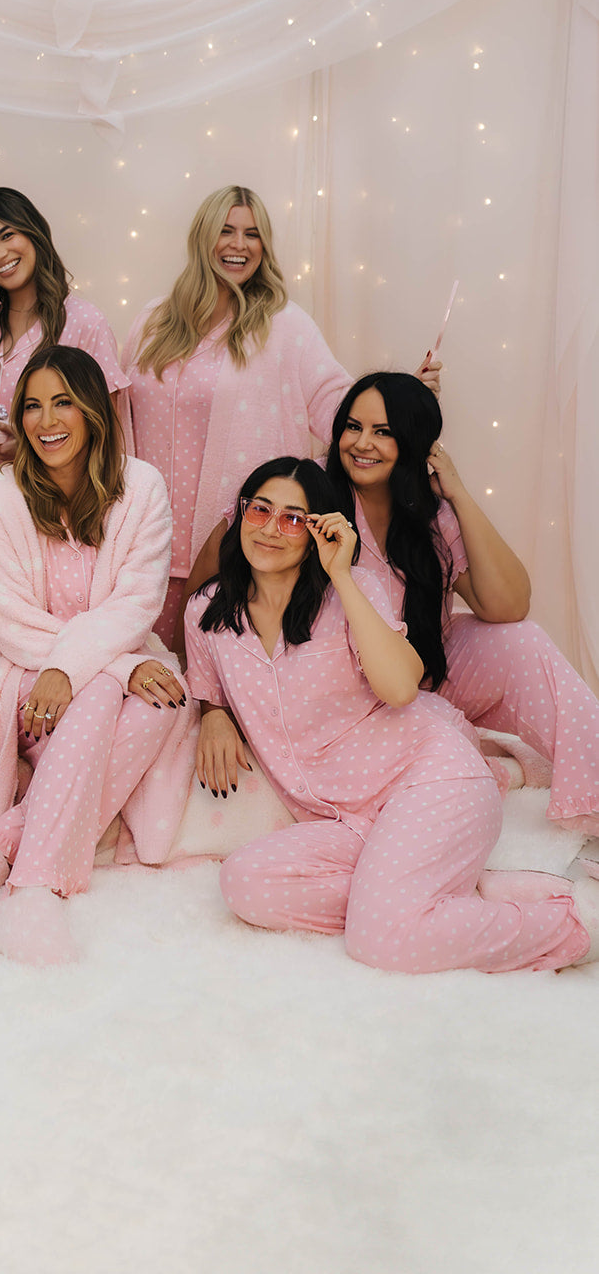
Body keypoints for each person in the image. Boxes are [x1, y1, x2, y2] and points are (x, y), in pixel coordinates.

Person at [185, 457, 597, 973]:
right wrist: (214, 715)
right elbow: (209, 692)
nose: (271, 528)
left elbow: (402, 687)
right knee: (245, 883)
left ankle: (575, 922)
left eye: (294, 518)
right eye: (259, 510)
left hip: (428, 778)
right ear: (240, 513)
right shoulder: (206, 612)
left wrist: (343, 575)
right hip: (343, 819)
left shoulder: (351, 592)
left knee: (382, 942)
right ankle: (447, 895)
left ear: (320, 529)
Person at [0, 345, 192, 964]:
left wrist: (86, 666)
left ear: (94, 410)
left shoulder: (142, 486)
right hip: (19, 673)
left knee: (165, 702)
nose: (46, 421)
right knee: (102, 690)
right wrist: (92, 669)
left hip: (101, 662)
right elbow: (9, 621)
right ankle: (37, 883)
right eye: (33, 406)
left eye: (63, 402)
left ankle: (1, 846)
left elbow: (135, 603)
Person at [122, 185, 438, 646]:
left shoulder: (285, 325)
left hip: (230, 543)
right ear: (201, 237)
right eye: (226, 231)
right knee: (146, 676)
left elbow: (339, 406)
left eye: (253, 234)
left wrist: (398, 400)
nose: (239, 244)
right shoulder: (152, 321)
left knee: (211, 682)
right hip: (146, 541)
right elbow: (115, 413)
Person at [324, 372, 599, 833]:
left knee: (522, 640)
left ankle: (591, 796)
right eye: (353, 426)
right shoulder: (314, 490)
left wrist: (458, 493)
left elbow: (508, 604)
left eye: (383, 431)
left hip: (425, 671)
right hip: (355, 693)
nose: (361, 443)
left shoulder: (428, 512)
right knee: (442, 741)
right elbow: (228, 564)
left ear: (415, 443)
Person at [0, 187, 129, 516]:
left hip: (48, 511)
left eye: (7, 235)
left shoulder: (85, 322)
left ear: (34, 234)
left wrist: (30, 450)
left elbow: (107, 436)